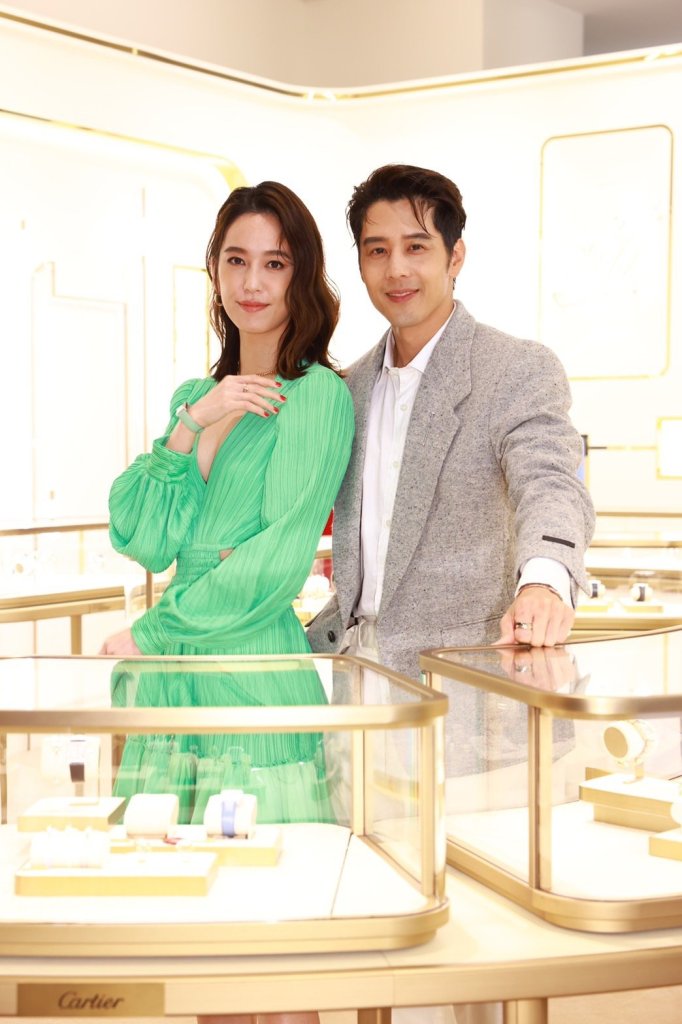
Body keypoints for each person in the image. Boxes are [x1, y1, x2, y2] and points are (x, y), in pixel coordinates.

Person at [100, 181, 354, 836]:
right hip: (177, 667)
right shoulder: (196, 396)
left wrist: (152, 633)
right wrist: (193, 422)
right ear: (214, 269)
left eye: (275, 263)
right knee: (161, 866)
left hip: (250, 660)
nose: (253, 282)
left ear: (300, 275)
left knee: (258, 866)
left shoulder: (316, 395)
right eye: (236, 259)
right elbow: (144, 538)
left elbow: (275, 562)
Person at [308, 163, 595, 681]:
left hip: (465, 681)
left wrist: (544, 581)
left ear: (454, 256)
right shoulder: (348, 387)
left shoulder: (514, 368)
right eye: (377, 250)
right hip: (353, 674)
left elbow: (550, 483)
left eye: (416, 247)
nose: (396, 269)